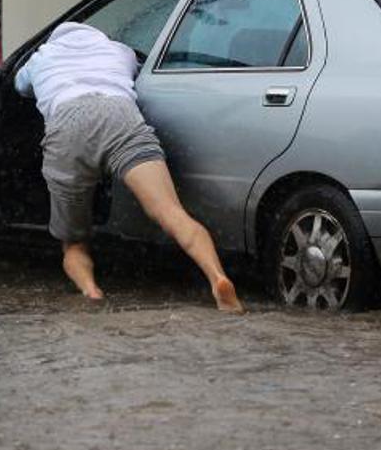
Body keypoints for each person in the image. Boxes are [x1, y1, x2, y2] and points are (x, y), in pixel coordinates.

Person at [14, 22, 244, 312]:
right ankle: (217, 278)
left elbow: (19, 86)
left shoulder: (43, 56)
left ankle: (92, 291)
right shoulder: (118, 50)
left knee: (74, 243)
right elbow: (141, 71)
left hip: (66, 122)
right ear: (98, 36)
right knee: (171, 212)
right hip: (120, 114)